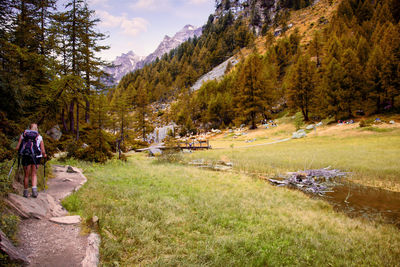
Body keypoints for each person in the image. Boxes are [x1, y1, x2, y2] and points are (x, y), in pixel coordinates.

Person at [16, 123, 47, 198]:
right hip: (36, 157)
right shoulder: (39, 137)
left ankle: (25, 192)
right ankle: (34, 191)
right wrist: (45, 155)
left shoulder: (23, 135)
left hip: (26, 156)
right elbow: (42, 150)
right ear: (37, 128)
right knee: (34, 174)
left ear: (29, 128)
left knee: (26, 175)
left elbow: (17, 147)